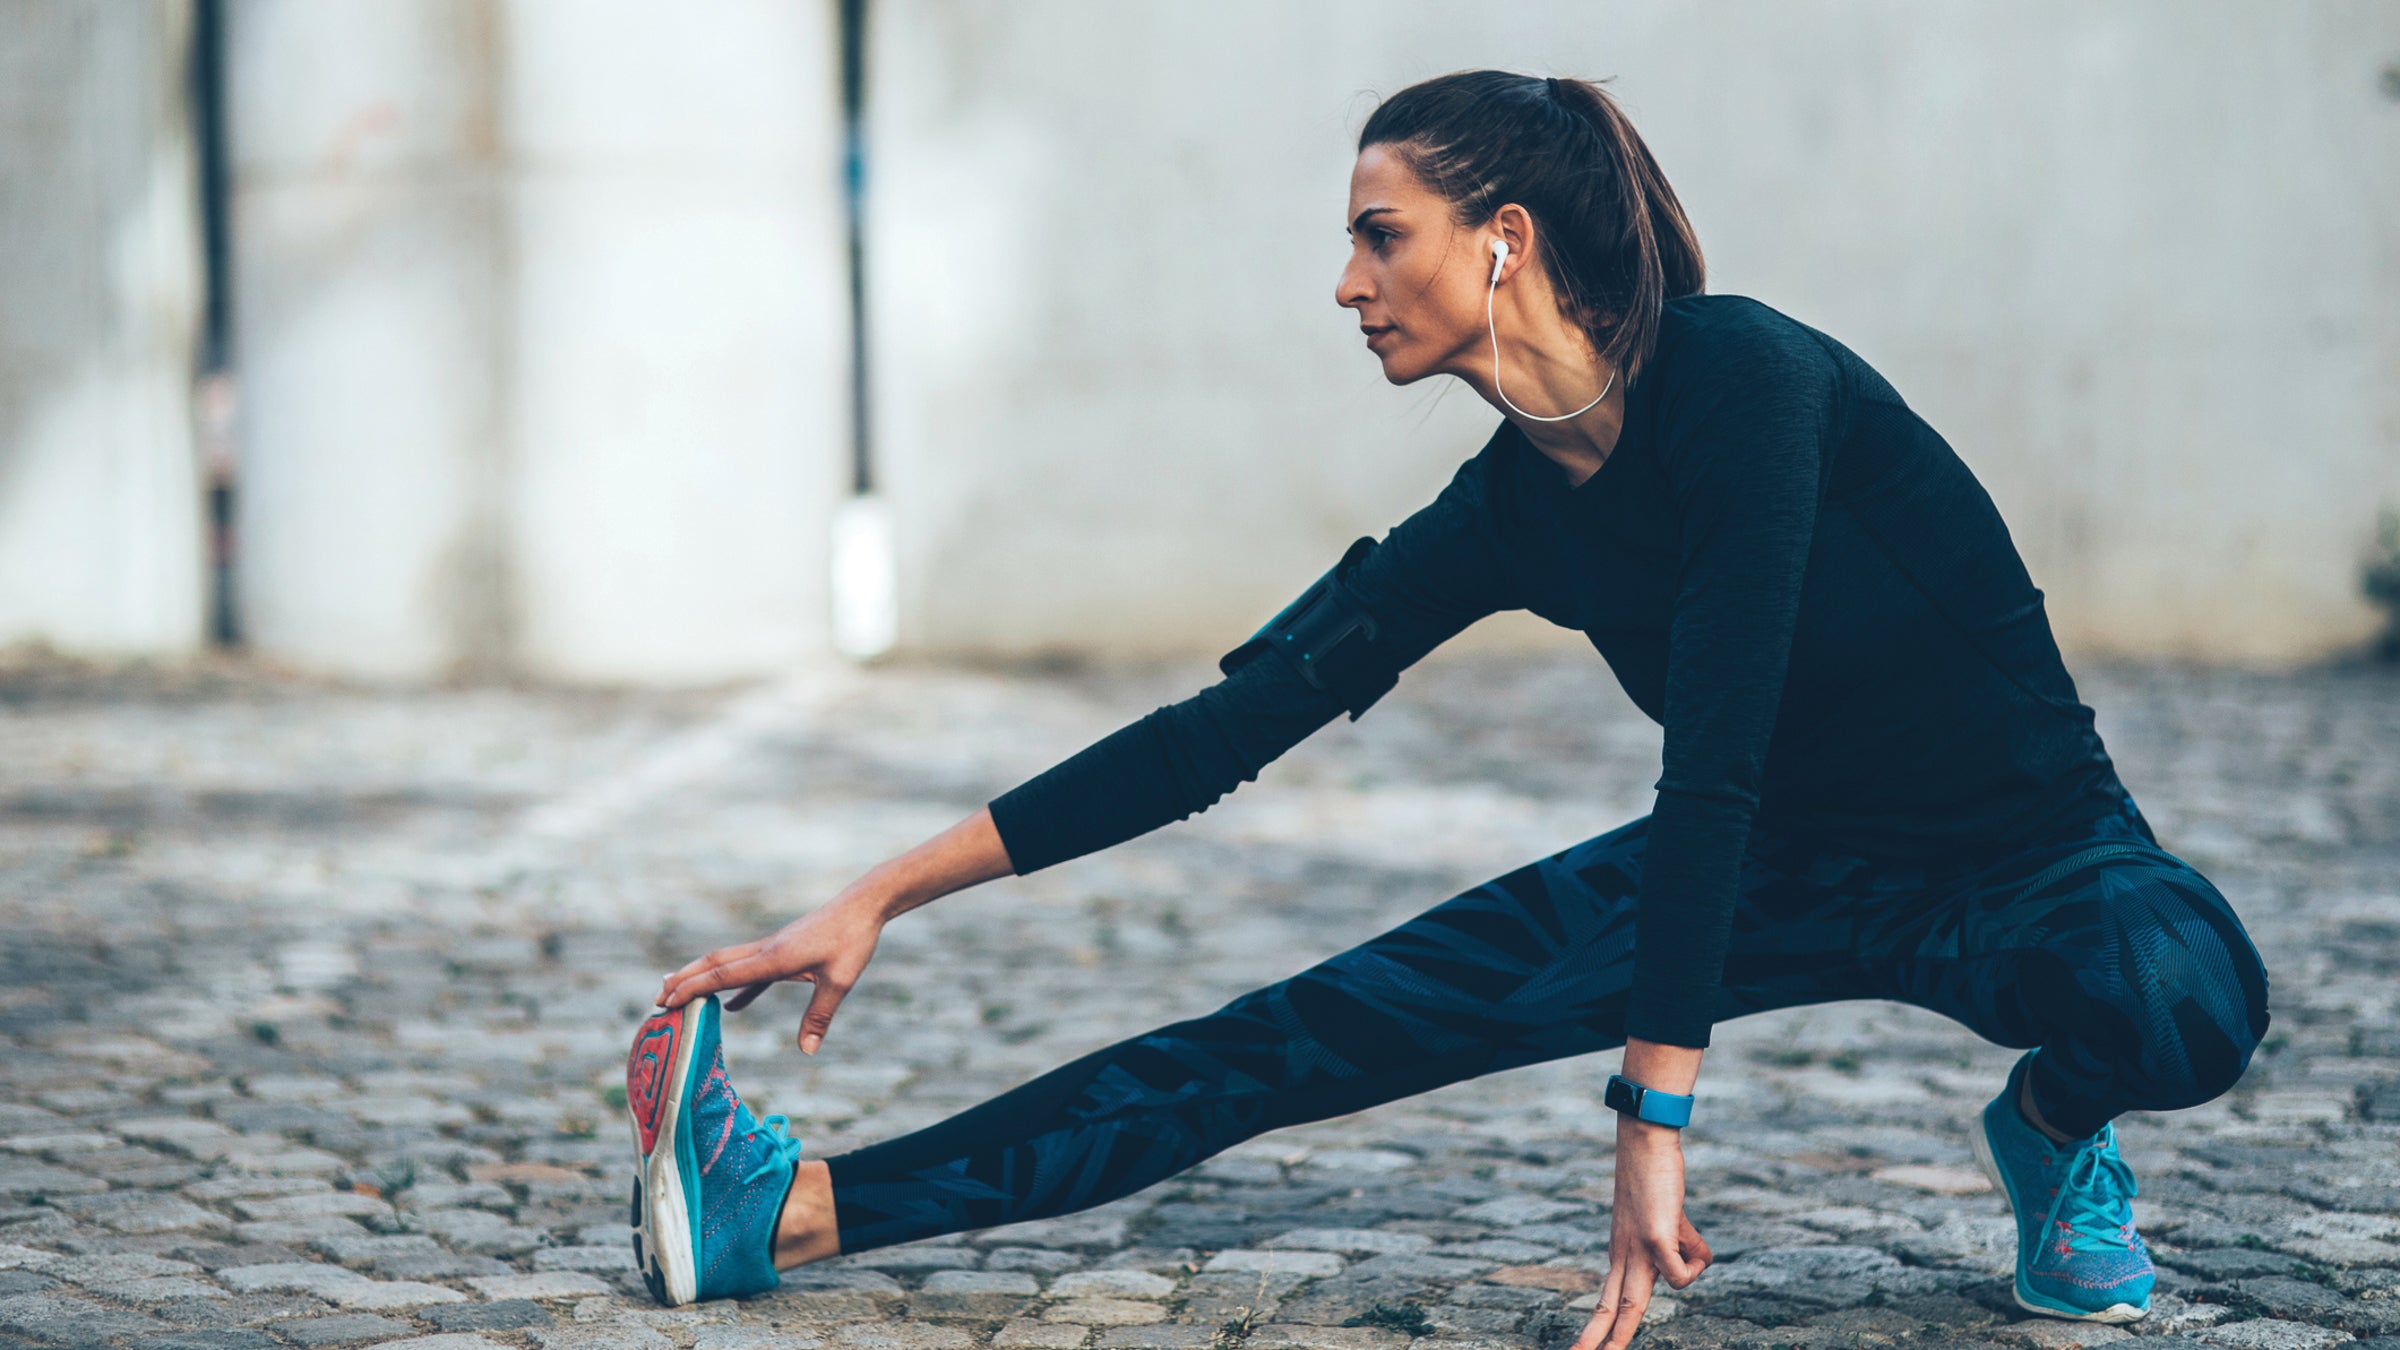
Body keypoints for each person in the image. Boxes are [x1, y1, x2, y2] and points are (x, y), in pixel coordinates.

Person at [622, 69, 2273, 1349]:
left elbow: (1717, 755)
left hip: (2029, 852)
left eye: (1379, 233)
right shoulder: (1504, 511)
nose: (1347, 282)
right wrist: (881, 894)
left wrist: (1653, 1115)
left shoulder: (1750, 383)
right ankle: (787, 1208)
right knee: (1284, 1038)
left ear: (1505, 239)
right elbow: (1214, 738)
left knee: (2181, 986)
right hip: (1781, 861)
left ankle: (2053, 1132)